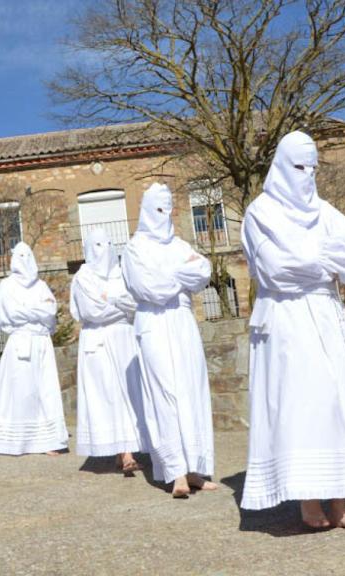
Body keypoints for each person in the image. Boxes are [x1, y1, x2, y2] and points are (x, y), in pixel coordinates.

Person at [239, 131, 345, 531]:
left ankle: (341, 504)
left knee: (338, 403)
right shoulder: (261, 212)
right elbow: (275, 269)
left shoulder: (326, 212)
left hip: (326, 313)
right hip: (288, 320)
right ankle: (307, 500)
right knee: (304, 403)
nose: (306, 175)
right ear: (282, 165)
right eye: (299, 166)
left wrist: (308, 259)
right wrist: (323, 262)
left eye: (312, 167)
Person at [121, 182, 216, 498]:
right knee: (165, 393)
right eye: (159, 208)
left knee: (191, 390)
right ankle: (174, 471)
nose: (165, 215)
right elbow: (150, 288)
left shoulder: (180, 245)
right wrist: (180, 277)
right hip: (154, 324)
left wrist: (171, 276)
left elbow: (204, 271)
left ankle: (194, 469)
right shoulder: (135, 248)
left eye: (169, 208)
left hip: (183, 321)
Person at [0, 242, 69, 456]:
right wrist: (37, 310)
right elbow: (11, 313)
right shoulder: (7, 285)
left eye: (27, 255)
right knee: (23, 390)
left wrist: (29, 310)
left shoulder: (41, 285)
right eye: (20, 255)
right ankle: (21, 440)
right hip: (21, 341)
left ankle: (48, 438)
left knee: (46, 389)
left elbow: (50, 309)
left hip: (41, 341)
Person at [70, 228, 145, 472]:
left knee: (129, 393)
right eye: (98, 245)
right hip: (99, 342)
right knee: (109, 394)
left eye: (108, 243)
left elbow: (136, 303)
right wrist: (119, 304)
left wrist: (111, 300)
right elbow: (92, 311)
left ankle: (127, 449)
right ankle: (122, 451)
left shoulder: (122, 273)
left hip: (124, 338)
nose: (104, 250)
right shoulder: (83, 277)